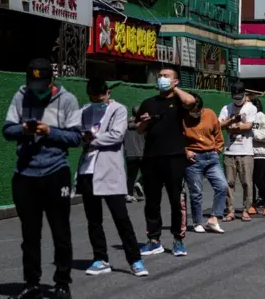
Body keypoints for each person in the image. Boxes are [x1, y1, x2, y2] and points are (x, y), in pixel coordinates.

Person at [3, 58, 82, 299]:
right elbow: (7, 130)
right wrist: (25, 129)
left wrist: (49, 131)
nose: (37, 88)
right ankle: (31, 283)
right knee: (30, 233)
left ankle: (61, 283)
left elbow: (75, 138)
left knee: (60, 231)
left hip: (55, 171)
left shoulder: (67, 100)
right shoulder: (20, 97)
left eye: (41, 83)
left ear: (51, 81)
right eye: (33, 83)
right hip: (25, 172)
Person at [76, 78, 148, 278]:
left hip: (109, 171)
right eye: (92, 97)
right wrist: (83, 137)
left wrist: (93, 138)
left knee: (121, 218)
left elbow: (116, 135)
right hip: (87, 171)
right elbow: (76, 133)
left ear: (107, 92)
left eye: (99, 96)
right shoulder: (85, 111)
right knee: (94, 220)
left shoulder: (119, 110)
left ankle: (135, 260)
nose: (96, 100)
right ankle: (100, 258)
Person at [136, 68, 196, 257]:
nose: (161, 78)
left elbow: (191, 102)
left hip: (174, 157)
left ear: (175, 81)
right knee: (152, 201)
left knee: (175, 200)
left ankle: (178, 240)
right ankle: (154, 240)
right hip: (151, 157)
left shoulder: (179, 101)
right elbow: (138, 128)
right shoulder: (149, 102)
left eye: (166, 76)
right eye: (160, 75)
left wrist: (174, 89)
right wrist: (145, 122)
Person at [182, 93, 228, 233]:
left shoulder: (210, 114)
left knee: (222, 186)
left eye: (198, 111)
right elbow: (175, 138)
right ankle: (197, 222)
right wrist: (185, 151)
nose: (196, 114)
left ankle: (214, 219)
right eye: (193, 112)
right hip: (193, 158)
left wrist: (217, 149)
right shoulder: (181, 117)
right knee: (196, 192)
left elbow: (218, 133)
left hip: (211, 156)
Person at [218, 81, 257, 222]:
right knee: (229, 183)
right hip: (230, 151)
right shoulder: (226, 108)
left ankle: (246, 210)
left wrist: (234, 127)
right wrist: (231, 121)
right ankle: (230, 211)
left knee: (247, 182)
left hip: (246, 151)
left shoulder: (250, 108)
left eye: (239, 96)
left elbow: (248, 125)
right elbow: (220, 124)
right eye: (234, 96)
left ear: (244, 94)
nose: (237, 99)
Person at [250, 96, 265, 215]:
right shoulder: (248, 117)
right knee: (250, 181)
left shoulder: (260, 116)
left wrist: (251, 132)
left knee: (258, 180)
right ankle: (253, 204)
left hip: (261, 153)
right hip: (250, 153)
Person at [124, 106, 144, 203]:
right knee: (149, 172)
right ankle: (139, 183)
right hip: (141, 153)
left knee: (130, 176)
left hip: (130, 154)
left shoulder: (124, 124)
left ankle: (129, 194)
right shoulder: (142, 125)